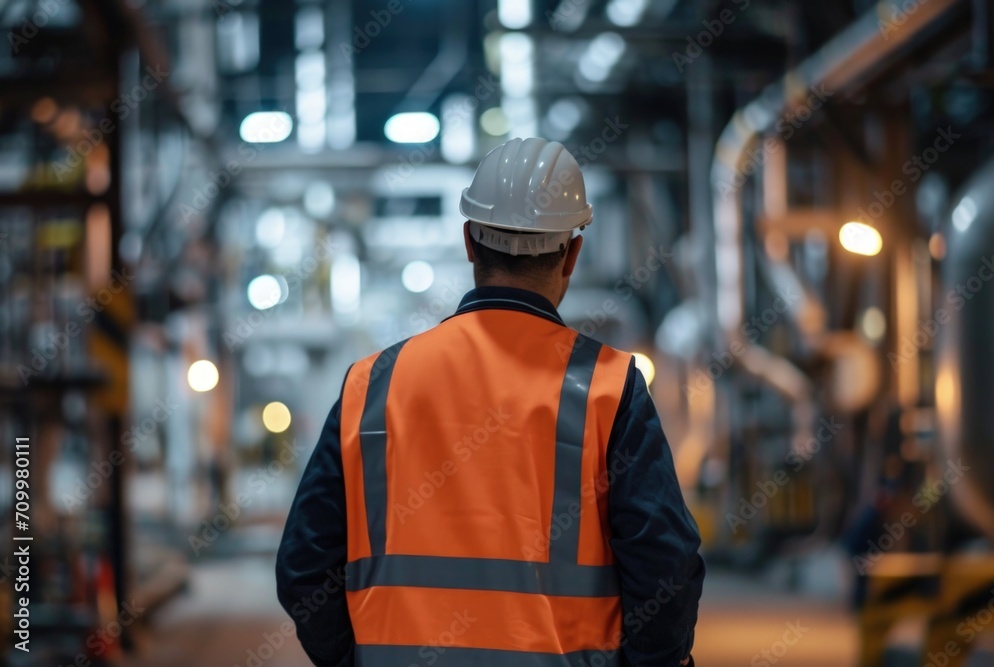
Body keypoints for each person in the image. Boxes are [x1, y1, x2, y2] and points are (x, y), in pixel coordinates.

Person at [276, 137, 704, 666]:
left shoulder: (371, 385)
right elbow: (666, 569)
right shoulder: (607, 388)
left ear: (469, 243)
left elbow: (303, 568)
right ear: (572, 253)